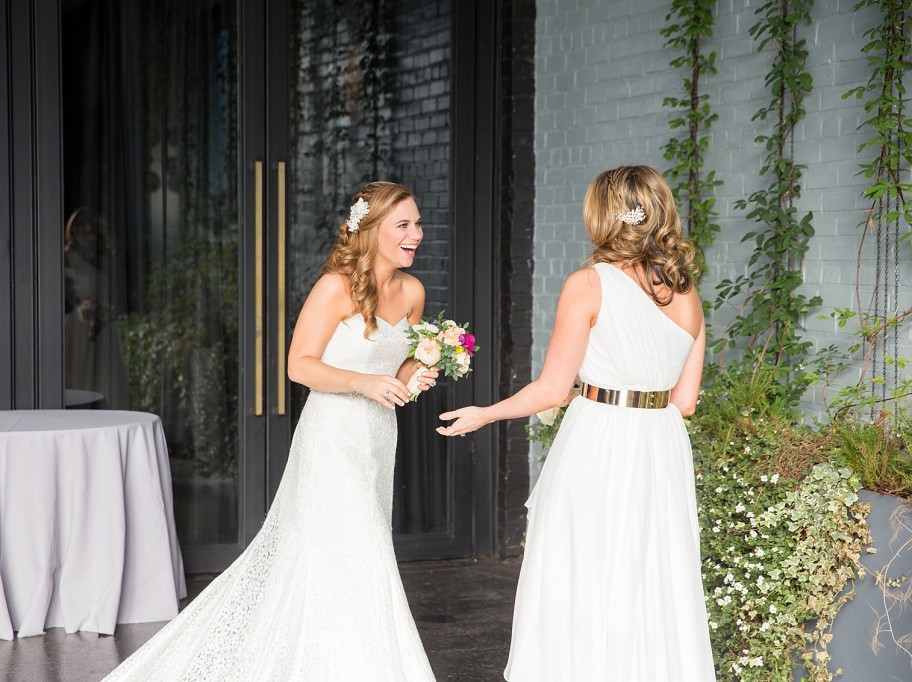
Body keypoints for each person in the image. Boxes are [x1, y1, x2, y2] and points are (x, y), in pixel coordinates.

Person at [103, 181, 439, 681]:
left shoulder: (413, 292)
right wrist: (363, 382)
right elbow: (298, 366)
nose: (417, 234)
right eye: (404, 225)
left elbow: (401, 366)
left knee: (356, 552)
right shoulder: (333, 288)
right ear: (370, 231)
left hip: (377, 437)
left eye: (417, 223)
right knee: (356, 550)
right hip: (331, 438)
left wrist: (420, 373)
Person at [438, 165, 716, 681]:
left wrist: (486, 413)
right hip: (660, 445)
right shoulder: (687, 294)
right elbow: (686, 401)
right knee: (651, 573)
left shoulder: (588, 284)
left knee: (583, 569)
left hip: (600, 441)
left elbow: (550, 388)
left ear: (602, 215)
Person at [63, 206, 129, 409]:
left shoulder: (106, 258)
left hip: (104, 325)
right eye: (80, 229)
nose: (86, 234)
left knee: (107, 381)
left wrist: (107, 314)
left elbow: (119, 295)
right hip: (77, 325)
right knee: (79, 378)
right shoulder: (66, 258)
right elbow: (62, 294)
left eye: (89, 229)